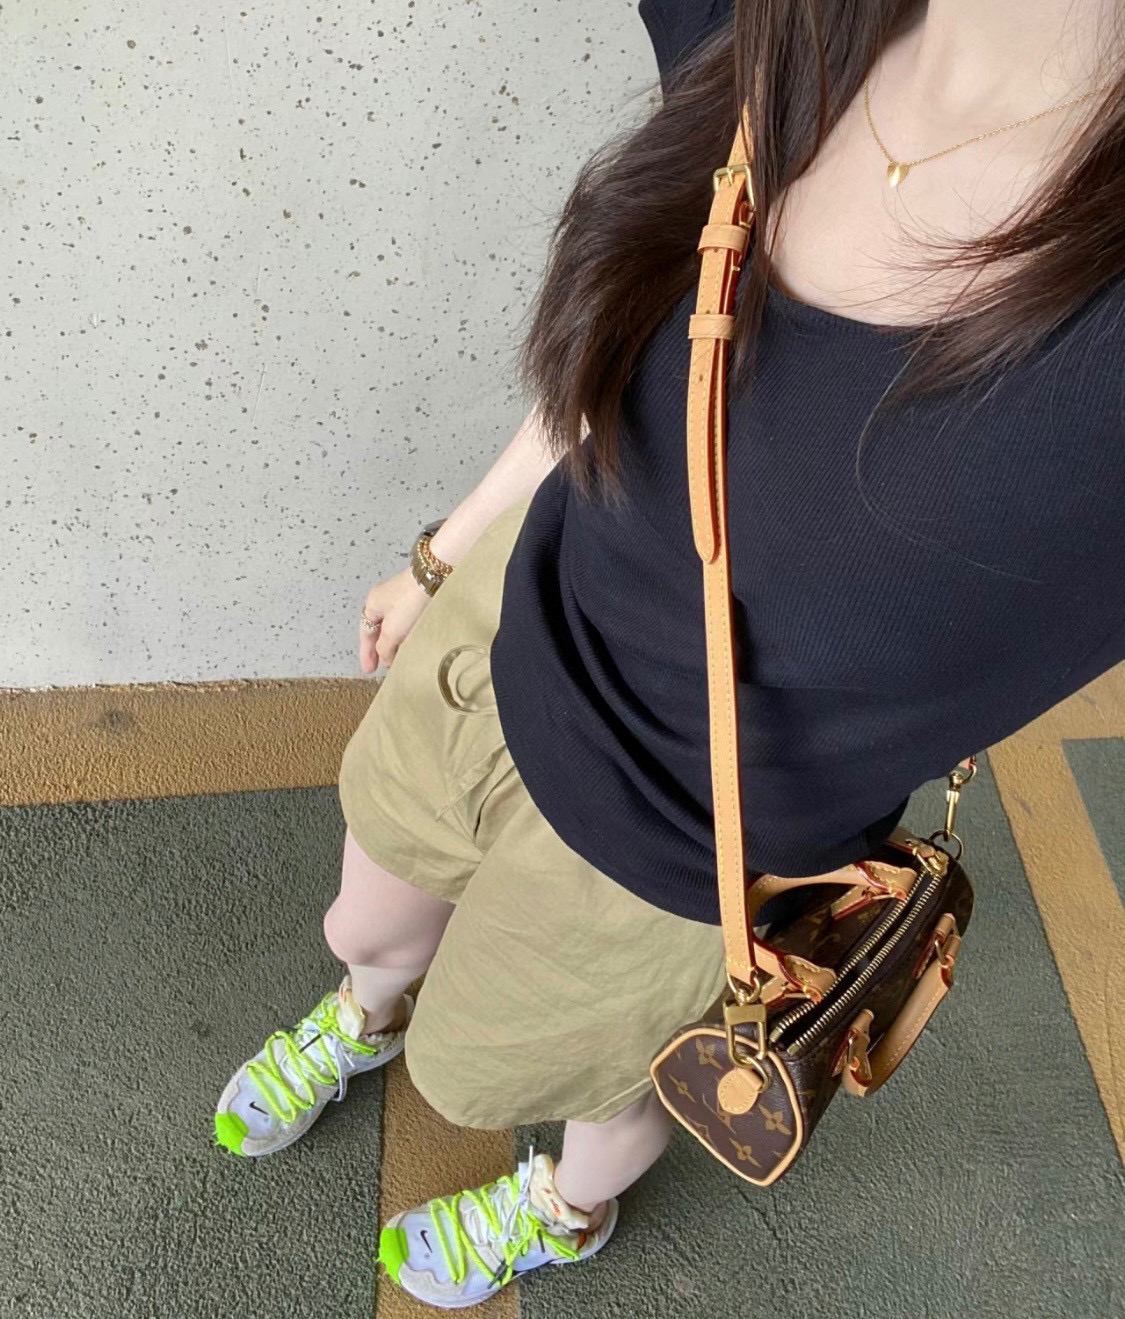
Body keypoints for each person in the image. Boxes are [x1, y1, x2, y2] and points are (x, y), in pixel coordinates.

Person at [214, 0, 1125, 1307]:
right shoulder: (787, 27)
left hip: (682, 849)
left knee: (550, 1079)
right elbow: (645, 329)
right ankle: (369, 1009)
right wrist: (447, 553)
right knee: (365, 922)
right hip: (514, 623)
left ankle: (566, 1208)